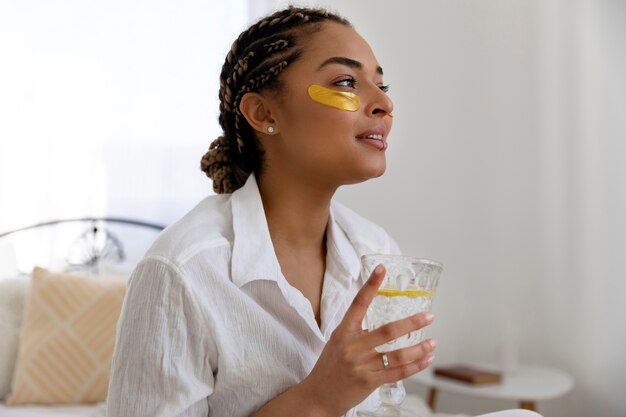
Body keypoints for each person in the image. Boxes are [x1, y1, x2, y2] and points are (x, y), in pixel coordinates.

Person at [106, 6, 542, 417]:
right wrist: (319, 398)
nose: (384, 105)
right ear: (263, 112)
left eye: (381, 85)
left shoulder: (374, 250)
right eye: (346, 83)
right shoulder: (182, 270)